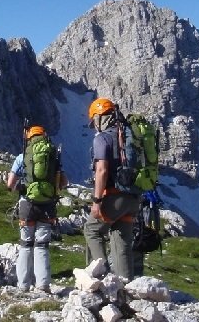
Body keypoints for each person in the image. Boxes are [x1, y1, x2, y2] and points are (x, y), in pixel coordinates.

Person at [83, 97, 141, 279]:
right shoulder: (128, 134)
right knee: (121, 240)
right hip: (134, 197)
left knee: (92, 230)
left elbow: (102, 170)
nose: (95, 126)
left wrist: (97, 201)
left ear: (100, 117)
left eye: (95, 121)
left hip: (114, 197)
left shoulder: (103, 138)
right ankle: (126, 286)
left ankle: (102, 280)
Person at [6, 125, 67, 293]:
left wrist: (21, 187)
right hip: (48, 206)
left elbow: (10, 184)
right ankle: (43, 285)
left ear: (29, 138)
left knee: (25, 245)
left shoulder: (23, 156)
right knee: (42, 245)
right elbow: (63, 183)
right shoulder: (53, 156)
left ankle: (23, 285)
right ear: (44, 136)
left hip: (27, 204)